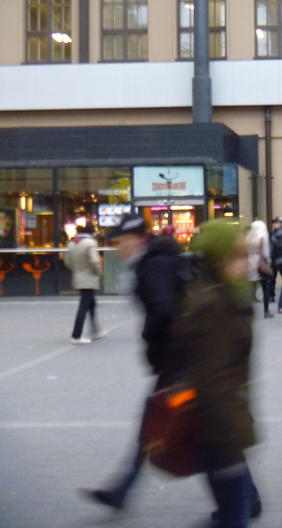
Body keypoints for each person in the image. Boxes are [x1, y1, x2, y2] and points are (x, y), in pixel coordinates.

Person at [81, 213, 190, 511]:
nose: (119, 248)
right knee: (195, 424)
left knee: (160, 422)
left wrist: (148, 336)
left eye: (122, 241)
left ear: (138, 238)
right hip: (184, 355)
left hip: (179, 358)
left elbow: (164, 312)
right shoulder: (157, 260)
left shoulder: (152, 266)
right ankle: (120, 490)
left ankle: (120, 490)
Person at [169, 219, 262, 528]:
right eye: (239, 256)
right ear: (219, 259)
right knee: (235, 517)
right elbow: (213, 381)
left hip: (218, 427)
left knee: (232, 513)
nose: (246, 263)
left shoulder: (218, 294)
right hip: (219, 431)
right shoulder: (214, 305)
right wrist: (231, 435)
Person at [66, 224, 106, 344]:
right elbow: (95, 260)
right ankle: (76, 335)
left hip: (78, 275)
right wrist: (99, 272)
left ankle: (95, 330)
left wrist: (77, 270)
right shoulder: (90, 243)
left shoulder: (72, 243)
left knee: (91, 302)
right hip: (89, 277)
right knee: (84, 305)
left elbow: (68, 261)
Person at [246, 220, 273, 319]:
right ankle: (266, 311)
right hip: (260, 263)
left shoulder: (248, 238)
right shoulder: (263, 238)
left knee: (251, 288)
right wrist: (268, 263)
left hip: (250, 263)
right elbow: (266, 253)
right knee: (265, 288)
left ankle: (248, 311)